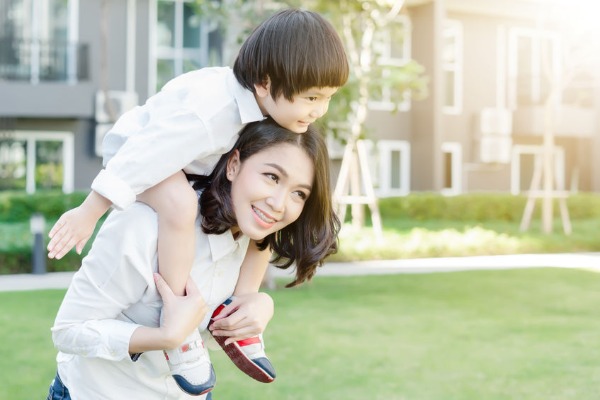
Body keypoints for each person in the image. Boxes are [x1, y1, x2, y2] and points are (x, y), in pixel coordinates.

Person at [45, 7, 348, 393]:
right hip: (137, 156)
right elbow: (144, 156)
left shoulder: (259, 135)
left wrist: (255, 305)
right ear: (265, 84)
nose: (319, 111)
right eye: (312, 97)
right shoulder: (211, 115)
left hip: (181, 167)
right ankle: (181, 314)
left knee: (259, 225)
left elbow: (266, 217)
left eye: (299, 193)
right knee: (179, 206)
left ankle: (237, 307)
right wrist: (91, 210)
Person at [47, 118, 340, 399]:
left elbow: (207, 337)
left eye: (299, 193)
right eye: (272, 177)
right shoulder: (145, 226)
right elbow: (68, 331)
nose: (279, 204)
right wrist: (164, 337)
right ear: (234, 164)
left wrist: (258, 308)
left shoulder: (252, 239)